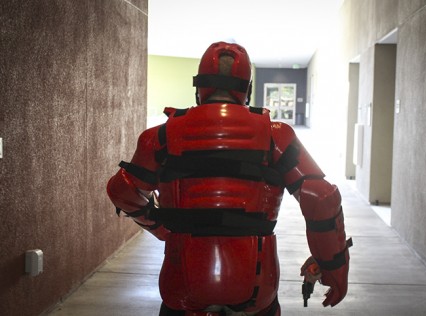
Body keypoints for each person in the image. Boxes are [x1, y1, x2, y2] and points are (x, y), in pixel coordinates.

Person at [106, 41, 351, 316]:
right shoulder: (276, 135)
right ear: (246, 89)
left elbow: (122, 191)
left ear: (199, 87)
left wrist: (160, 227)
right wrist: (334, 267)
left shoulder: (160, 137)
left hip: (183, 282)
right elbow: (322, 197)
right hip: (255, 285)